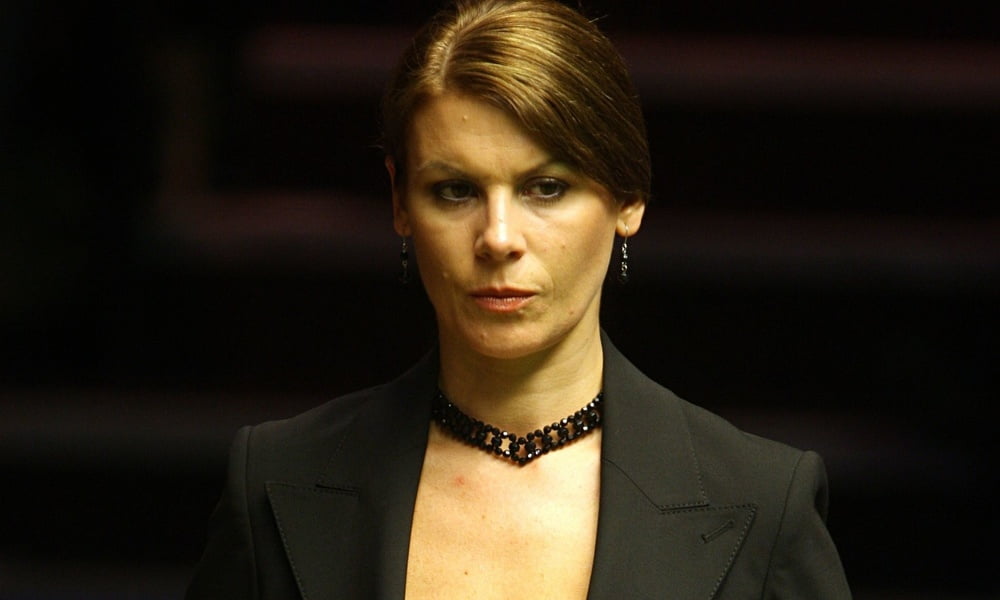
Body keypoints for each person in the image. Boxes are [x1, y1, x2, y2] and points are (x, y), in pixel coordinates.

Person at [186, 0, 852, 598]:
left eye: (546, 188)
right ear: (400, 201)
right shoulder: (275, 480)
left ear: (628, 198)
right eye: (455, 191)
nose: (498, 237)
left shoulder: (763, 502)